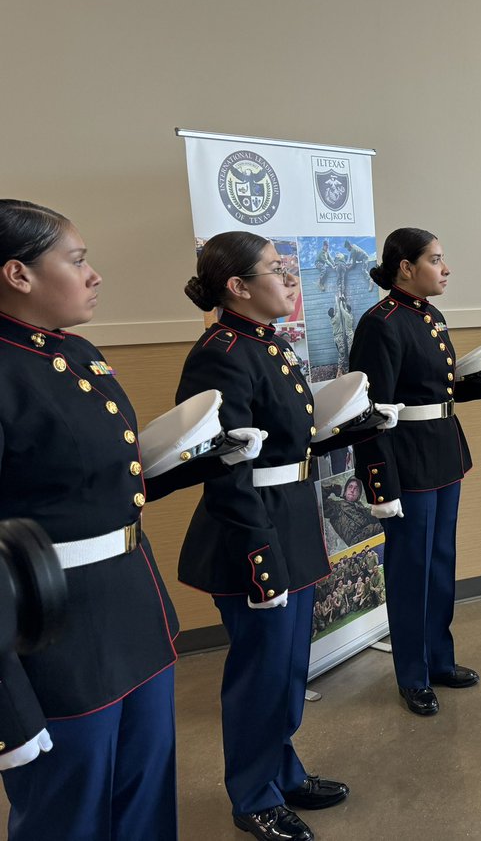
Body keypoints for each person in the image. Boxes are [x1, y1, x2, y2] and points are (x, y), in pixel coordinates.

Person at [0, 200, 251, 839]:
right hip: (52, 632)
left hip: (132, 607)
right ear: (18, 275)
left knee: (145, 794)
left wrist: (206, 461)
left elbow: (110, 490)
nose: (94, 275)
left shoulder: (78, 353)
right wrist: (7, 707)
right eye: (77, 260)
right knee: (71, 811)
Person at [177, 231, 396, 841]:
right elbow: (226, 469)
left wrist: (354, 427)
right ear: (238, 287)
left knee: (287, 669)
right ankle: (252, 796)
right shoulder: (221, 352)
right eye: (277, 270)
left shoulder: (266, 344)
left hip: (291, 520)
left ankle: (281, 770)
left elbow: (287, 442)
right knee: (260, 676)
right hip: (253, 533)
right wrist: (259, 553)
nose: (291, 280)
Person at [349, 227, 481, 717]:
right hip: (408, 464)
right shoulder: (379, 323)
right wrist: (380, 484)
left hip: (444, 454)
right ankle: (413, 675)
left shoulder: (431, 314)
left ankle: (439, 659)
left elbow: (435, 390)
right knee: (411, 571)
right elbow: (373, 410)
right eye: (436, 259)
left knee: (441, 565)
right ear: (406, 266)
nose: (445, 269)